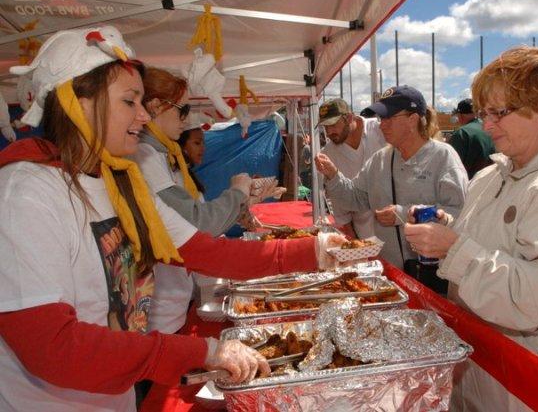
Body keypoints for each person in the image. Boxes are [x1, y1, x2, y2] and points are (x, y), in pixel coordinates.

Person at [0, 26, 341, 411]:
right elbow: (51, 347)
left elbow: (210, 253)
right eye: (131, 101)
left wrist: (316, 250)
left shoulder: (119, 183)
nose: (144, 116)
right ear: (80, 103)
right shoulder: (25, 192)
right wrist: (201, 352)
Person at [404, 46, 538, 410]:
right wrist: (449, 228)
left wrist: (453, 249)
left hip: (535, 389)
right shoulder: (492, 176)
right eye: (485, 112)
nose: (486, 125)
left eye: (499, 113)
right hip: (487, 375)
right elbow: (498, 244)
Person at [130, 67, 258, 335]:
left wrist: (237, 206)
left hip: (172, 302)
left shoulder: (164, 156)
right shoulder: (146, 155)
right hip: (158, 313)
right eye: (182, 111)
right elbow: (198, 221)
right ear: (154, 107)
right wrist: (238, 192)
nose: (185, 120)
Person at [316, 86, 467, 294]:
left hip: (435, 279)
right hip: (391, 276)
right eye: (380, 118)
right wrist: (333, 175)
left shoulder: (443, 157)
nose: (381, 125)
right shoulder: (380, 160)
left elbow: (459, 215)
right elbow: (353, 198)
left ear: (413, 119)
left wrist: (403, 214)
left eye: (388, 118)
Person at [318, 98, 387, 239]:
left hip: (399, 233)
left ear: (349, 118)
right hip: (365, 236)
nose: (329, 132)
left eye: (333, 125)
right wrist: (354, 242)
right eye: (325, 127)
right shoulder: (328, 154)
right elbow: (339, 204)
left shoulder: (381, 130)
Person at [447, 98, 495, 179]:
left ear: (460, 116)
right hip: (491, 182)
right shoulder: (490, 128)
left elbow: (449, 168)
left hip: (470, 186)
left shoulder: (462, 133)